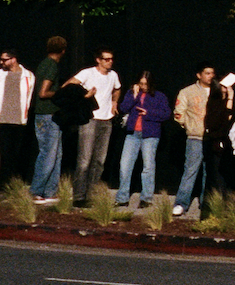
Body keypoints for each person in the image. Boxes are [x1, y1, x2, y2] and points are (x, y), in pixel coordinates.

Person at [69, 49, 121, 206]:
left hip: (106, 121)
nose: (110, 62)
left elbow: (117, 88)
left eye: (111, 59)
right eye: (106, 59)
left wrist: (114, 102)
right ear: (98, 60)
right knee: (84, 160)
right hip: (90, 120)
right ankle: (78, 197)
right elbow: (68, 86)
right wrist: (84, 96)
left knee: (99, 161)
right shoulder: (87, 73)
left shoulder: (113, 75)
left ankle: (91, 196)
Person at [113, 70, 169, 208]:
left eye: (146, 84)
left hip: (149, 135)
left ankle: (146, 198)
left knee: (148, 167)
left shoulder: (159, 96)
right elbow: (124, 108)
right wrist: (134, 95)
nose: (143, 86)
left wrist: (148, 113)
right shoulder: (132, 93)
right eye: (141, 83)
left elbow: (166, 114)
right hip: (133, 134)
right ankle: (122, 198)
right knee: (125, 165)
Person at [0, 49, 34, 184]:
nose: (1, 62)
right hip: (1, 120)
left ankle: (15, 183)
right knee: (3, 154)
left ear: (13, 59)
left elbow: (29, 96)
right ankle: (2, 183)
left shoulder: (28, 75)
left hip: (19, 121)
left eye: (4, 60)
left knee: (16, 154)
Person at [172, 64, 215, 217]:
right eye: (207, 73)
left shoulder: (218, 90)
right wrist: (189, 125)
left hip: (212, 139)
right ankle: (181, 203)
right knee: (190, 170)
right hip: (195, 138)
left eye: (212, 73)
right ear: (199, 75)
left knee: (208, 173)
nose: (210, 76)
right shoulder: (187, 92)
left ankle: (206, 204)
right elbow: (178, 113)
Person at [30, 36, 69, 204]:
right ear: (63, 50)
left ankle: (50, 191)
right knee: (48, 154)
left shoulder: (44, 63)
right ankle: (36, 190)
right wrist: (61, 93)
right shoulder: (52, 66)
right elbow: (43, 92)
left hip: (46, 115)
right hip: (48, 115)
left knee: (56, 154)